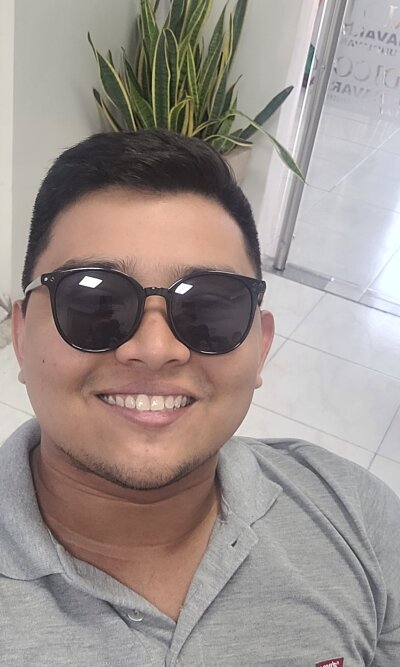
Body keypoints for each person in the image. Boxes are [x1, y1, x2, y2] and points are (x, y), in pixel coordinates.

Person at [1, 129, 399, 666]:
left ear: (261, 348)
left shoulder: (355, 513)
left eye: (210, 307)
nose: (155, 349)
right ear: (21, 335)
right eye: (95, 302)